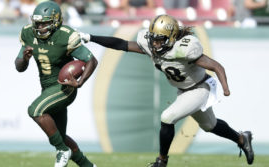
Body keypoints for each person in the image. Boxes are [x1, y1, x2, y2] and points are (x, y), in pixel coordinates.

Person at [79, 14, 254, 166]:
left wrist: (225, 88)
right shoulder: (151, 45)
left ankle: (161, 160)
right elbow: (121, 44)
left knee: (167, 117)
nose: (154, 43)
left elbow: (216, 66)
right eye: (153, 38)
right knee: (210, 125)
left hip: (200, 89)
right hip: (184, 91)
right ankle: (241, 138)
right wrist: (90, 37)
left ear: (171, 37)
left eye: (159, 39)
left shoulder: (184, 49)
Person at [14, 1, 97, 167]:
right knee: (60, 134)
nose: (40, 27)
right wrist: (25, 58)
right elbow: (19, 67)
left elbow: (91, 60)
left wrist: (79, 82)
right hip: (47, 88)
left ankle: (61, 150)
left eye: (44, 23)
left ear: (56, 21)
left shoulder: (65, 35)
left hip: (64, 86)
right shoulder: (28, 33)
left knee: (35, 110)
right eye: (38, 23)